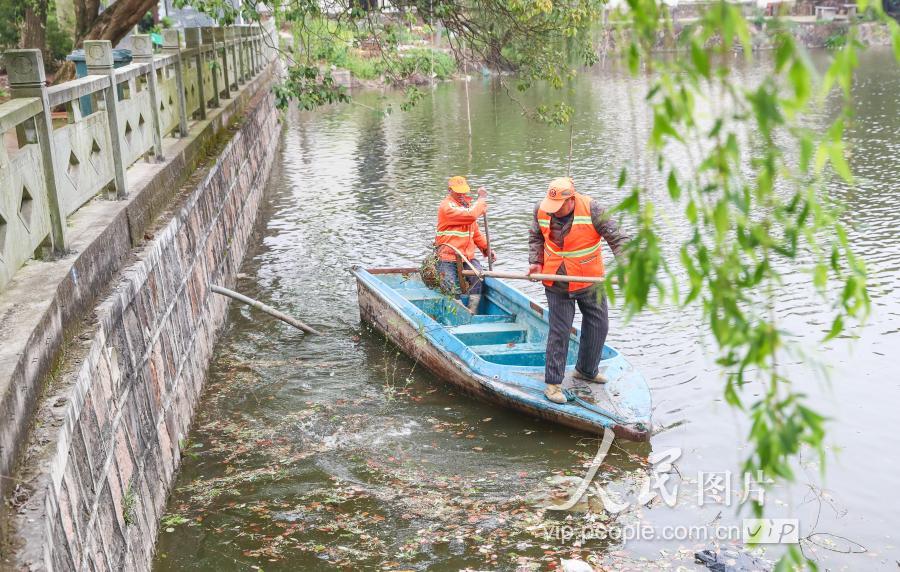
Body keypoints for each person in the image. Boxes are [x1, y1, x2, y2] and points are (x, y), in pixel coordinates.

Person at [528, 177, 629, 404]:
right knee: (560, 331)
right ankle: (553, 384)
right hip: (556, 279)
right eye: (551, 206)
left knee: (599, 325)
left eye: (559, 206)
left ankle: (586, 370)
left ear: (571, 200)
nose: (553, 211)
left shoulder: (593, 209)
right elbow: (536, 236)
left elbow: (619, 238)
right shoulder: (541, 209)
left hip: (589, 278)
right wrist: (535, 262)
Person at [434, 176, 497, 313]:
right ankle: (457, 312)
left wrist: (487, 249)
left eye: (463, 191)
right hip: (447, 257)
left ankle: (472, 310)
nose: (461, 194)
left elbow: (476, 234)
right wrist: (481, 199)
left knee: (478, 277)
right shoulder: (447, 207)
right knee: (449, 286)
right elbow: (471, 215)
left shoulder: (467, 206)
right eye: (458, 191)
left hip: (466, 257)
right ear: (450, 190)